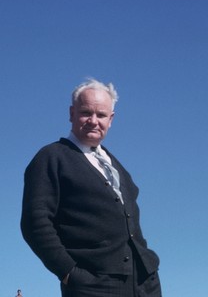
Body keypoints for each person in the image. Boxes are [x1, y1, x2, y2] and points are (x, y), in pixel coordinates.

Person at [21, 79, 162, 297]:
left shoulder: (117, 166)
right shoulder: (51, 157)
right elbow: (34, 222)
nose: (93, 121)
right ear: (71, 113)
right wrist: (69, 273)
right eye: (86, 112)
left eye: (102, 115)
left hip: (145, 283)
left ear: (111, 119)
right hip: (93, 285)